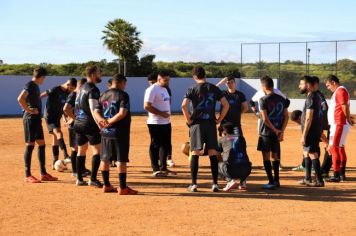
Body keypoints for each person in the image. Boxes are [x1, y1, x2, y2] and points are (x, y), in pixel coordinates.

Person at [181, 66, 229, 192]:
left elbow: (183, 106)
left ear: (194, 77)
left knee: (195, 152)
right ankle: (215, 184)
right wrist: (219, 119)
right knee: (213, 153)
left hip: (196, 124)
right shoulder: (214, 88)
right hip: (210, 124)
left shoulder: (191, 89)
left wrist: (189, 120)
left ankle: (194, 184)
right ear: (205, 75)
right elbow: (226, 105)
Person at [94, 74, 138, 195]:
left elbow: (96, 111)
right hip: (119, 132)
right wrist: (109, 122)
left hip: (105, 132)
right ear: (121, 82)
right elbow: (122, 113)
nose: (125, 86)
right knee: (121, 160)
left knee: (105, 158)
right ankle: (123, 187)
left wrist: (102, 122)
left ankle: (106, 185)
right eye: (125, 84)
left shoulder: (103, 94)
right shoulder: (123, 95)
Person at [17, 67, 58, 183]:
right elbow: (20, 99)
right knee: (30, 145)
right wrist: (29, 110)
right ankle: (27, 175)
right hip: (29, 119)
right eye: (44, 78)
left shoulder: (35, 86)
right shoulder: (29, 85)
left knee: (42, 144)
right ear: (41, 77)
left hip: (36, 120)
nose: (44, 80)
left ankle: (43, 173)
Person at [73, 65, 103, 187]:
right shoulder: (93, 89)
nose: (100, 74)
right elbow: (93, 108)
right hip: (89, 124)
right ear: (92, 74)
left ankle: (79, 179)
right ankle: (93, 179)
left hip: (78, 123)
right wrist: (99, 124)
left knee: (81, 151)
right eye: (98, 72)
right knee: (97, 151)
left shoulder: (81, 88)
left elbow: (76, 106)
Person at [257, 76, 289, 190]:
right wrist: (281, 131)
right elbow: (286, 116)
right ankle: (277, 181)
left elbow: (265, 119)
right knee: (275, 156)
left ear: (264, 86)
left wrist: (275, 130)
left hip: (265, 133)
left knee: (266, 157)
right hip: (277, 133)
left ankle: (271, 181)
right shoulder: (281, 99)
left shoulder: (263, 100)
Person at [250, 85, 289, 170]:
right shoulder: (259, 93)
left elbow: (287, 101)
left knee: (275, 142)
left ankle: (277, 164)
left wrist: (280, 112)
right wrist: (256, 112)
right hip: (263, 122)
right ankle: (267, 164)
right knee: (266, 143)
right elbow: (251, 102)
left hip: (276, 122)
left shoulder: (277, 92)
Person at [41, 78, 77, 168]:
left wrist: (64, 117)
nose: (72, 90)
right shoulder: (55, 89)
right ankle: (65, 154)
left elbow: (63, 106)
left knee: (55, 138)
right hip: (49, 115)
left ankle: (54, 161)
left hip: (57, 116)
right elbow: (41, 95)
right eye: (72, 88)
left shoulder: (68, 93)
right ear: (68, 84)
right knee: (58, 133)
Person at [325, 74, 354, 182]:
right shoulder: (339, 91)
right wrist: (347, 118)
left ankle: (336, 174)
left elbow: (344, 106)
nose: (328, 88)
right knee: (340, 147)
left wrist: (347, 118)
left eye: (328, 85)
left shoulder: (340, 90)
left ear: (333, 82)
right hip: (338, 123)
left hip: (338, 123)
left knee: (334, 148)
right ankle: (341, 174)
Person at [144, 71, 172, 177]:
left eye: (168, 80)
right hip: (155, 123)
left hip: (166, 122)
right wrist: (161, 113)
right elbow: (146, 106)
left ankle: (163, 167)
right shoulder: (152, 89)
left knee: (165, 145)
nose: (167, 82)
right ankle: (155, 169)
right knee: (155, 145)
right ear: (159, 79)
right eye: (165, 80)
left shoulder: (165, 89)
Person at [299, 75, 325, 187]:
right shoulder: (314, 96)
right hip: (313, 129)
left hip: (311, 131)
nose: (299, 86)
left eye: (301, 84)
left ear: (308, 85)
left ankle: (319, 180)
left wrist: (304, 135)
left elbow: (309, 117)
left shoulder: (312, 97)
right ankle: (307, 178)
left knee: (313, 153)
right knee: (306, 152)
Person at [63, 78, 90, 177]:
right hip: (75, 125)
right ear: (81, 86)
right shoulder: (73, 94)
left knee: (82, 147)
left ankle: (81, 168)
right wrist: (74, 118)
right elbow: (65, 108)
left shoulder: (80, 94)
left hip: (80, 124)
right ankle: (75, 171)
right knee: (75, 148)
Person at [217, 123, 252, 192]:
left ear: (224, 132)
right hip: (246, 170)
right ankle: (243, 183)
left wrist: (222, 162)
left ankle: (230, 181)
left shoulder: (222, 139)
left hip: (231, 170)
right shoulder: (241, 138)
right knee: (241, 159)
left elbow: (217, 154)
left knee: (217, 165)